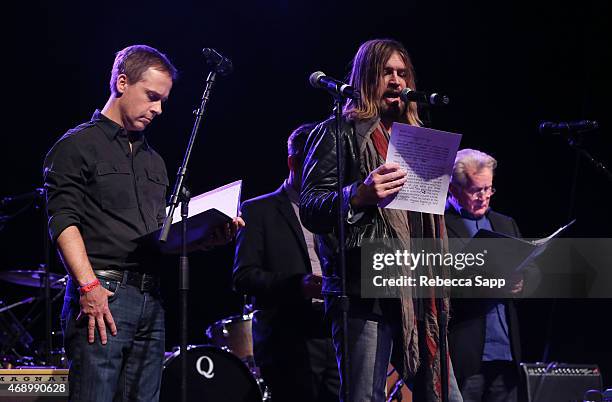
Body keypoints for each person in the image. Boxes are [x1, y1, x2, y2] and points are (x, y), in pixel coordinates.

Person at [43, 45, 242, 401]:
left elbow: (158, 239)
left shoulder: (154, 161)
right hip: (103, 292)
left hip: (152, 298)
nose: (158, 109)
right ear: (122, 82)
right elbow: (62, 220)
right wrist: (88, 288)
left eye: (163, 100)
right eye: (152, 97)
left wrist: (206, 238)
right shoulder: (77, 146)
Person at [300, 38, 462, 402]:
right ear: (365, 77)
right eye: (386, 72)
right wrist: (357, 194)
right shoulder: (336, 131)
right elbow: (310, 205)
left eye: (402, 73)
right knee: (364, 396)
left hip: (417, 284)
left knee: (444, 394)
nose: (396, 81)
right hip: (363, 288)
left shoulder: (418, 140)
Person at [233, 123, 340, 402]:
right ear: (293, 162)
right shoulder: (258, 210)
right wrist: (299, 285)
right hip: (288, 341)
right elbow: (243, 276)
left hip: (337, 331)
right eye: (316, 165)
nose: (325, 175)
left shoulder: (338, 211)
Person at [445, 149, 523, 402]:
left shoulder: (504, 223)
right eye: (476, 190)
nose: (484, 197)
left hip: (506, 353)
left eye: (489, 189)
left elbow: (529, 270)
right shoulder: (437, 226)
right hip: (466, 352)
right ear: (453, 190)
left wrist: (523, 282)